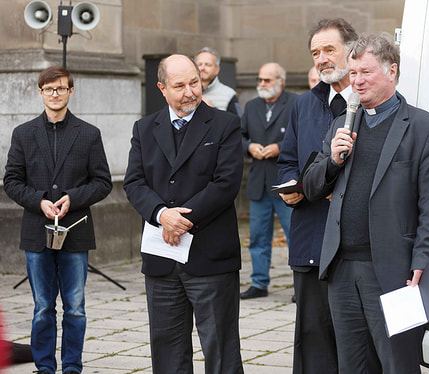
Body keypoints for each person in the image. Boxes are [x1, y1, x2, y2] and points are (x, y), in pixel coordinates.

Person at [303, 33, 429, 374]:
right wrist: (333, 161)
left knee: (396, 364)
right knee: (351, 367)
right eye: (352, 73)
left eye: (365, 72)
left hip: (393, 273)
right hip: (341, 269)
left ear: (391, 71)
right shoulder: (343, 123)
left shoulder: (425, 129)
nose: (356, 81)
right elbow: (310, 187)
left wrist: (424, 261)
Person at [123, 54, 244, 374]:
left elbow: (226, 183)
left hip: (211, 257)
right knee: (167, 349)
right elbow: (134, 182)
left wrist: (182, 220)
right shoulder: (145, 128)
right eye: (180, 86)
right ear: (162, 88)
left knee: (221, 349)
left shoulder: (225, 124)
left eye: (195, 82)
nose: (190, 91)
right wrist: (162, 214)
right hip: (161, 260)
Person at [277, 18, 381, 374]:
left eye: (328, 50)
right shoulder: (304, 105)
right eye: (315, 53)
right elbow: (287, 160)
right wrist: (291, 185)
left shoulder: (372, 103)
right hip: (310, 241)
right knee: (313, 338)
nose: (321, 59)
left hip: (356, 246)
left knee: (360, 345)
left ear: (351, 51)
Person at [3, 66, 112, 374]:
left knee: (75, 307)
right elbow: (11, 180)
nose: (54, 94)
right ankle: (45, 367)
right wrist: (38, 201)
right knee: (42, 307)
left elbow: (103, 182)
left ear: (70, 92)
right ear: (40, 93)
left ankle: (72, 367)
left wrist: (73, 198)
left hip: (75, 232)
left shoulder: (89, 134)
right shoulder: (23, 133)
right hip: (36, 232)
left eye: (60, 89)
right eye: (49, 89)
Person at [240, 63, 298, 299]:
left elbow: (305, 137)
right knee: (258, 237)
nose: (262, 84)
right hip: (259, 182)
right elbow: (239, 136)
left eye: (268, 80)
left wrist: (279, 148)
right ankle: (259, 282)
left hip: (285, 182)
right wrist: (249, 146)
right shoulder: (252, 106)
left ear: (281, 82)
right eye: (260, 79)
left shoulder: (295, 103)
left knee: (295, 235)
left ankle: (300, 285)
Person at [195, 47, 243, 117]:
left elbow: (238, 123)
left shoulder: (229, 94)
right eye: (199, 64)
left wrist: (213, 110)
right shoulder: (186, 91)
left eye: (207, 64)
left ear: (217, 69)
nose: (202, 68)